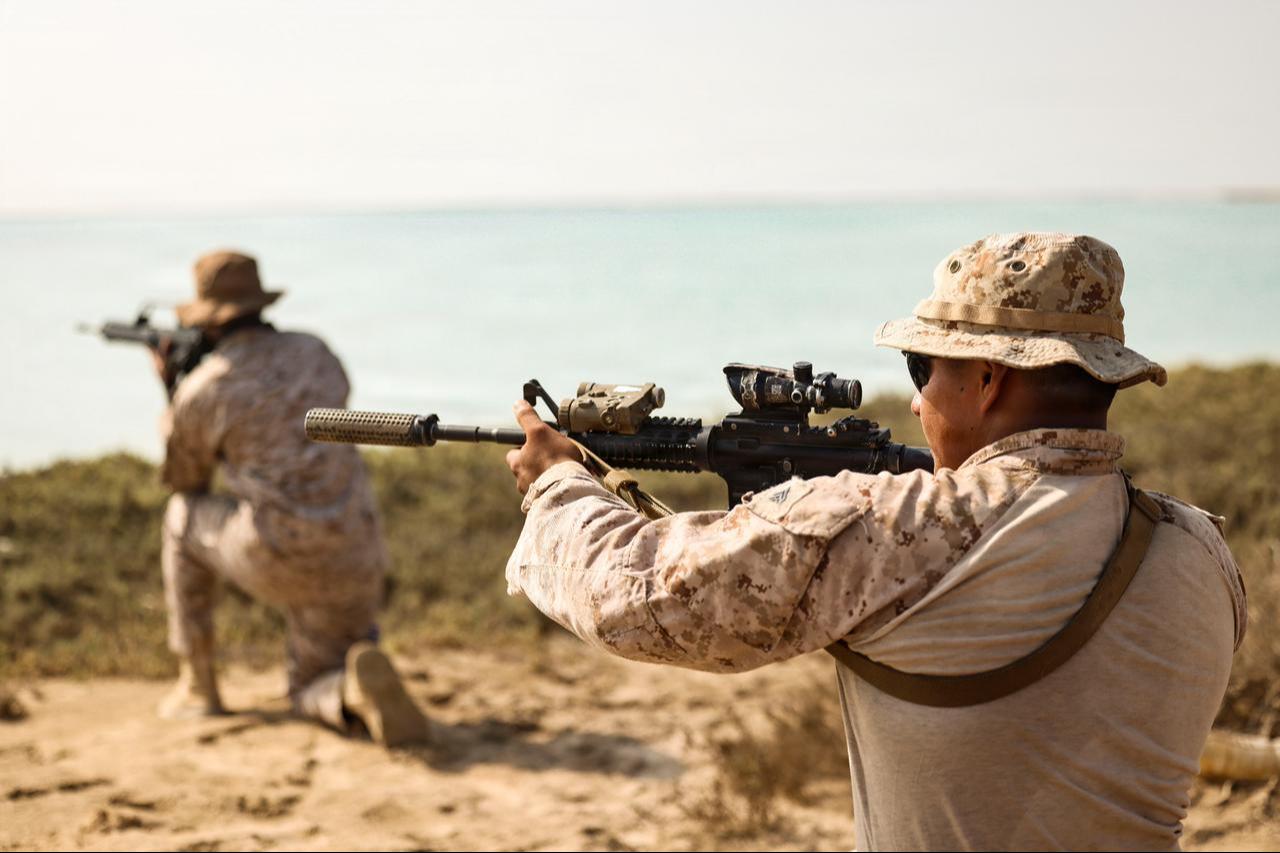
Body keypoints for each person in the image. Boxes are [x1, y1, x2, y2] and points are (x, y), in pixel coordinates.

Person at [502, 232, 1246, 849]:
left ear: (987, 380)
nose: (918, 400)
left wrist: (557, 482)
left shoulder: (901, 525)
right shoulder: (1200, 550)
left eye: (924, 368)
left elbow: (633, 597)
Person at [154, 249, 429, 747]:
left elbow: (183, 479)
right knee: (312, 678)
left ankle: (198, 684)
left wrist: (172, 392)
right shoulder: (316, 352)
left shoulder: (206, 386)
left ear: (208, 321)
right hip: (355, 549)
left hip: (277, 552)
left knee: (179, 518)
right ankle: (347, 691)